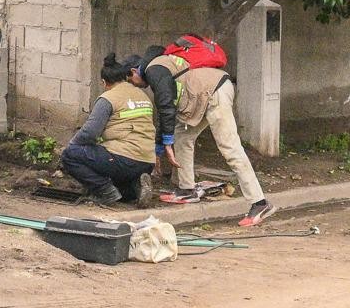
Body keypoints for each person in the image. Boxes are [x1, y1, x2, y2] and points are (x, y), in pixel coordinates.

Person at [130, 43, 276, 226]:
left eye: (131, 80)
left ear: (134, 71)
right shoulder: (161, 64)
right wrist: (160, 148)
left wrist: (165, 145)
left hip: (214, 92)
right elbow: (164, 110)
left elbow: (166, 107)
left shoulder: (154, 69)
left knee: (229, 147)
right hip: (206, 95)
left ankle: (259, 202)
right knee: (183, 136)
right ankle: (187, 190)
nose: (135, 86)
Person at [60, 53, 157, 207]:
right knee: (117, 183)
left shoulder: (108, 98)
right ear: (124, 78)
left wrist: (73, 145)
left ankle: (105, 191)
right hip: (147, 161)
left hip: (123, 159)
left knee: (69, 155)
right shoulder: (143, 96)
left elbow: (89, 133)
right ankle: (134, 188)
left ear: (104, 82)